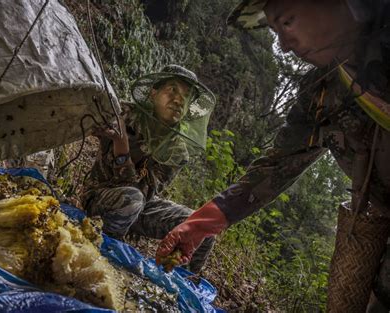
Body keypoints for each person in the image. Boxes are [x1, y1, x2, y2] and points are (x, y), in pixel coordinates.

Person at [156, 0, 390, 310]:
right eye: (275, 30)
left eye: (287, 21)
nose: (285, 45)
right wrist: (199, 224)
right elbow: (276, 166)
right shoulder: (321, 94)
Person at [82, 64, 216, 273]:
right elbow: (80, 119)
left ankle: (184, 283)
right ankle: (105, 251)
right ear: (154, 92)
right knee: (130, 199)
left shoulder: (177, 150)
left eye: (186, 97)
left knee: (202, 227)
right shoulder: (122, 115)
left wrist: (122, 151)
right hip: (100, 198)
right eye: (172, 90)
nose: (179, 100)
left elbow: (145, 192)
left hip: (141, 205)